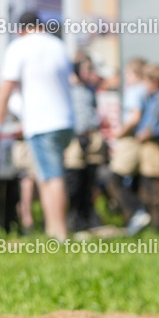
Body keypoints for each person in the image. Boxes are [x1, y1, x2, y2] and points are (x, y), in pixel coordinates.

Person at [0, 12, 74, 241]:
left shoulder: (20, 46)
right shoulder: (58, 45)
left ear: (21, 29)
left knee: (52, 177)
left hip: (43, 123)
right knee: (46, 176)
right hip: (65, 121)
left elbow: (6, 87)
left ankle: (60, 234)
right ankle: (52, 229)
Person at [128, 63, 159, 234]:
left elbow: (154, 126)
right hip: (152, 149)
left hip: (157, 149)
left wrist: (143, 134)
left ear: (154, 82)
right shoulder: (157, 98)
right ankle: (154, 223)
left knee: (157, 189)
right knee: (149, 186)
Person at [107, 58, 149, 232]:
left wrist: (120, 132)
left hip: (130, 140)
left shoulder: (135, 91)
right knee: (133, 180)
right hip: (138, 141)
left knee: (114, 179)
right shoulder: (146, 91)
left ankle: (137, 212)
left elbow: (135, 116)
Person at [64, 53, 105, 232]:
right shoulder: (68, 89)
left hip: (91, 135)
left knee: (90, 179)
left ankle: (89, 216)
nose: (90, 72)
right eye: (87, 69)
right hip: (74, 137)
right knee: (74, 180)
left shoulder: (90, 89)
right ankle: (74, 217)